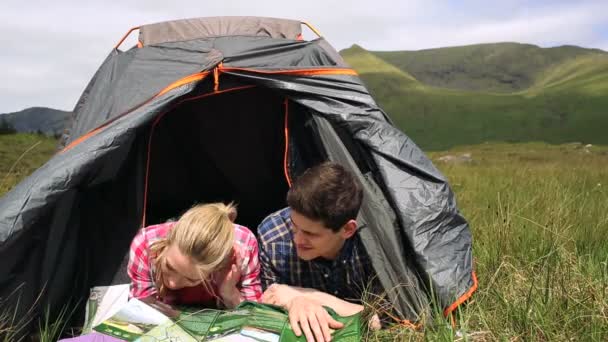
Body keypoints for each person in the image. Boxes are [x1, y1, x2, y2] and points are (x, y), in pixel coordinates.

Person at [258, 162, 381, 342]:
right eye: (293, 225)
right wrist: (296, 302)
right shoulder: (272, 236)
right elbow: (269, 303)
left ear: (347, 230)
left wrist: (307, 295)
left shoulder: (375, 246)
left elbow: (383, 319)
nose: (297, 239)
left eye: (310, 234)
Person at [127, 202, 261, 313]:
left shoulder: (245, 246)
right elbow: (139, 311)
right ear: (168, 240)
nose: (173, 283)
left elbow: (257, 320)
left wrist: (229, 292)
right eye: (169, 266)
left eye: (191, 279)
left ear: (217, 267)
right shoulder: (145, 244)